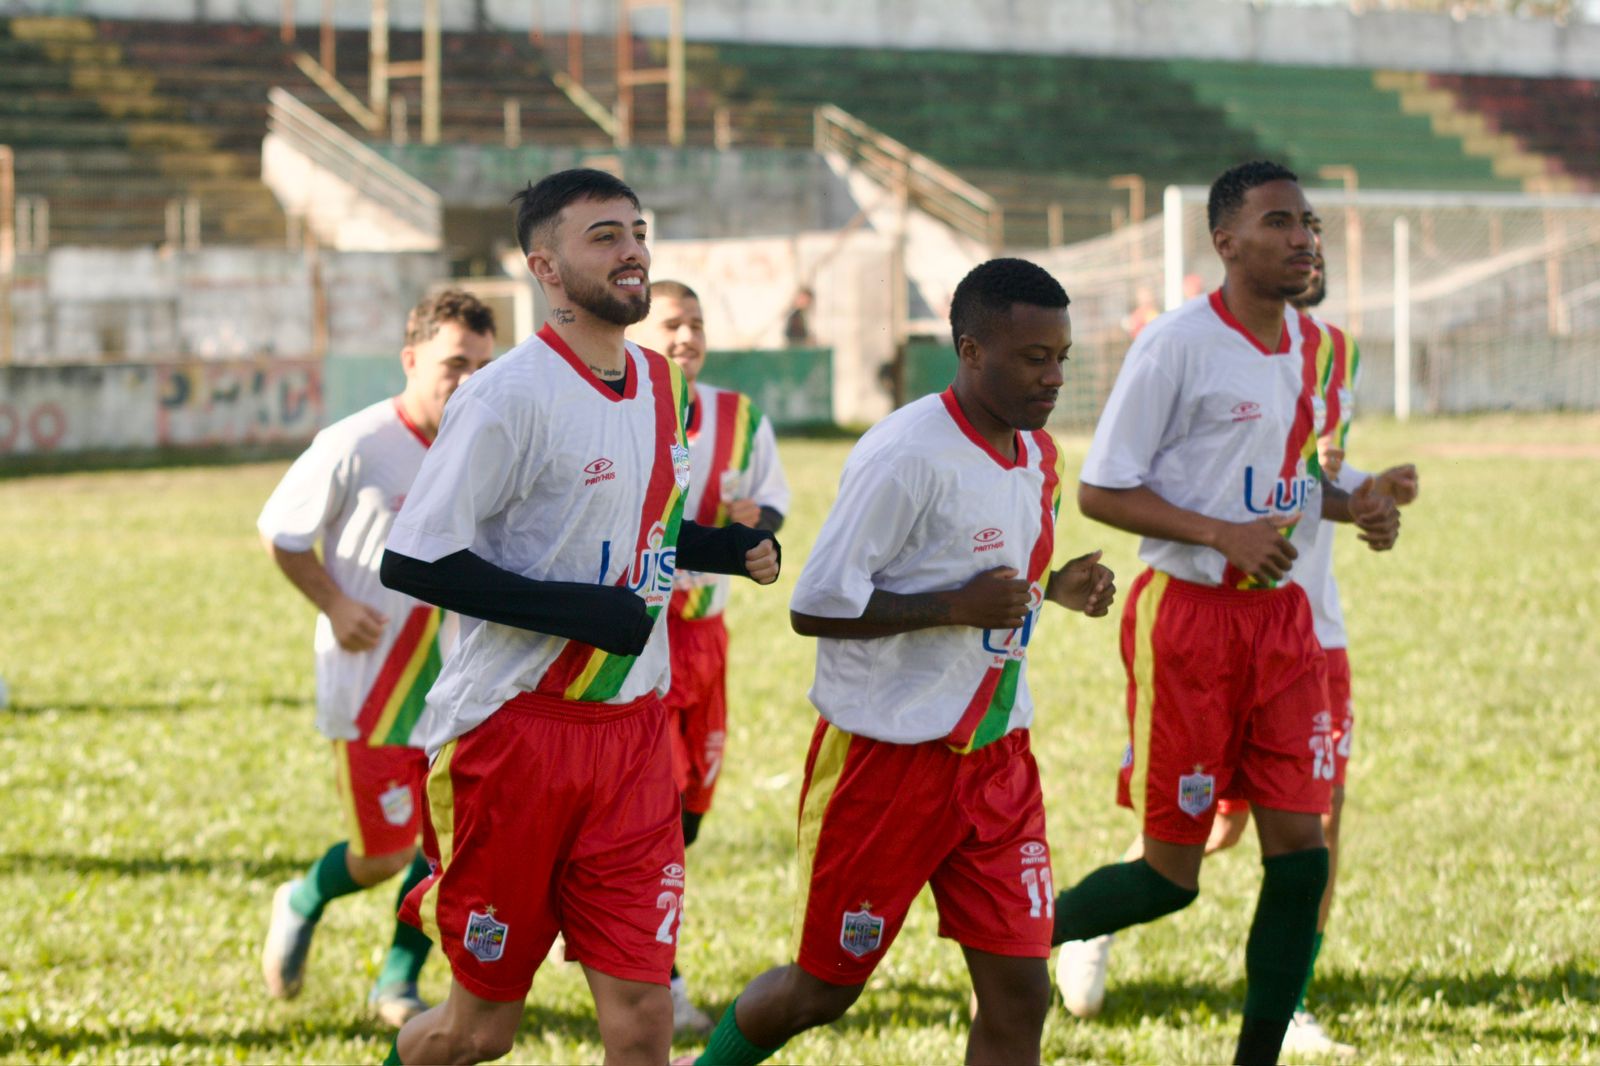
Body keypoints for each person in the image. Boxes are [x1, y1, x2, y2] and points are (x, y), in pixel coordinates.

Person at [375, 168, 782, 1066]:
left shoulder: (659, 384)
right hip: (517, 736)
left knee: (641, 1017)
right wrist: (580, 613)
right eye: (603, 236)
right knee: (476, 1032)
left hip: (637, 735)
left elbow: (642, 521)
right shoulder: (506, 395)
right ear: (545, 268)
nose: (632, 249)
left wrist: (726, 550)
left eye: (637, 230)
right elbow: (413, 555)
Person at [691, 257, 1116, 1066]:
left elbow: (997, 575)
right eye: (1035, 358)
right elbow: (813, 605)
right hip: (883, 768)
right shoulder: (904, 455)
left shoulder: (1038, 455)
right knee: (824, 991)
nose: (1055, 376)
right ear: (970, 350)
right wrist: (954, 609)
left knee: (1021, 991)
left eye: (1062, 356)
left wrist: (1054, 587)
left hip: (997, 764)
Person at [1045, 161, 1400, 1066]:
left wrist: (1353, 502)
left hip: (1283, 623)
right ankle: (1020, 929)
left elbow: (1291, 479)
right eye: (1280, 222)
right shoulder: (1177, 345)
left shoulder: (1309, 352)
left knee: (1303, 856)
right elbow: (1099, 490)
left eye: (1309, 223)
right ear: (1226, 242)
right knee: (1172, 877)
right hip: (1190, 622)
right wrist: (1220, 534)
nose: (1303, 238)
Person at [256, 289, 497, 1026]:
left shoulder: (484, 449)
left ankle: (397, 982)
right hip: (372, 691)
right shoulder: (354, 443)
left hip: (457, 689)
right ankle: (301, 898)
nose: (468, 380)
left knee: (443, 855)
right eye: (455, 363)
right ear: (411, 358)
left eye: (483, 368)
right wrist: (333, 602)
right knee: (383, 856)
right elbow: (281, 532)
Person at [627, 279, 791, 1034]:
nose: (685, 336)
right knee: (652, 817)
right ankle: (659, 976)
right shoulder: (623, 407)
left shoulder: (742, 416)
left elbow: (770, 500)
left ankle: (643, 949)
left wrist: (761, 522)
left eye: (695, 323)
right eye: (671, 324)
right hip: (640, 642)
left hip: (708, 643)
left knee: (689, 817)